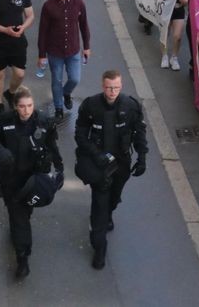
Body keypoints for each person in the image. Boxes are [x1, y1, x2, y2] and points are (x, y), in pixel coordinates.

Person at [0, 85, 63, 280]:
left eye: (30, 105)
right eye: (22, 106)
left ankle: (19, 236)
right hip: (11, 180)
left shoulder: (43, 122)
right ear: (15, 106)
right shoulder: (4, 122)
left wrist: (59, 169)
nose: (26, 110)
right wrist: (1, 151)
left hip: (34, 179)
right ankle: (23, 258)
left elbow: (52, 146)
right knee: (19, 218)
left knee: (24, 214)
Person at [74, 70, 149, 270]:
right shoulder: (91, 106)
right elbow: (80, 134)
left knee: (113, 199)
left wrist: (142, 157)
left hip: (122, 163)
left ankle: (108, 214)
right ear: (102, 85)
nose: (112, 91)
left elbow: (139, 133)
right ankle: (100, 249)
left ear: (121, 86)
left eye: (115, 87)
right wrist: (95, 154)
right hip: (99, 164)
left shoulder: (131, 106)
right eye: (108, 87)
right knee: (99, 204)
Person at [36, 0, 91, 120]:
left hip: (73, 50)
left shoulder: (79, 3)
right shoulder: (48, 6)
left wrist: (87, 46)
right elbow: (43, 32)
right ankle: (59, 107)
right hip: (55, 52)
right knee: (56, 81)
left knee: (75, 79)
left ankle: (66, 93)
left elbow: (84, 26)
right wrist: (42, 55)